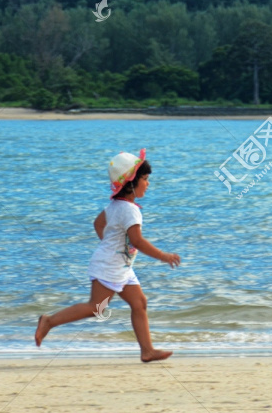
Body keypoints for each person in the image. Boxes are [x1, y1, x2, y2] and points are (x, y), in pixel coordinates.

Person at [34, 149, 181, 362]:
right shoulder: (130, 210)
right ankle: (48, 321)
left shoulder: (115, 206)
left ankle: (147, 350)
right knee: (96, 307)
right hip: (111, 266)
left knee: (139, 303)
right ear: (132, 182)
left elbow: (98, 224)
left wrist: (111, 246)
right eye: (145, 179)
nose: (148, 184)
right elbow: (137, 240)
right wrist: (163, 255)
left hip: (120, 267)